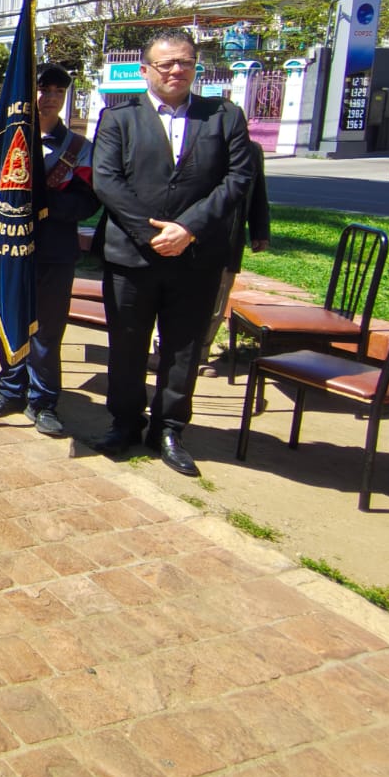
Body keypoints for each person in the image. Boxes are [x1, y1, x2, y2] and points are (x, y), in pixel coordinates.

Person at [91, 30, 257, 477]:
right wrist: (153, 235)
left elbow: (238, 181)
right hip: (132, 257)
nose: (176, 71)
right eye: (165, 64)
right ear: (145, 70)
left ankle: (168, 428)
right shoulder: (117, 118)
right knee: (127, 345)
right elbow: (107, 182)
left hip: (196, 257)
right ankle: (125, 423)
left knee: (183, 351)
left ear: (195, 66)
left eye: (184, 62)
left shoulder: (224, 116)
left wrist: (188, 230)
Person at [0, 64, 99, 438]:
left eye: (57, 92)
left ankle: (44, 399)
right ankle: (11, 388)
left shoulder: (80, 149)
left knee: (48, 330)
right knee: (10, 319)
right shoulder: (2, 141)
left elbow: (88, 201)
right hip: (12, 246)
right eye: (42, 89)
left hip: (54, 249)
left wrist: (42, 204)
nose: (48, 98)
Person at [203, 150, 271, 366]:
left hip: (229, 241)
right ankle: (162, 349)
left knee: (217, 298)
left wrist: (260, 231)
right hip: (187, 239)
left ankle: (200, 354)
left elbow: (258, 192)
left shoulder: (251, 151)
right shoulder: (195, 140)